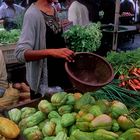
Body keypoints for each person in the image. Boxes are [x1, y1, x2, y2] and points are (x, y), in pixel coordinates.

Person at [14, 0, 75, 100]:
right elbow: (20, 54)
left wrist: (60, 28)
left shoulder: (53, 9)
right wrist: (51, 52)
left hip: (61, 78)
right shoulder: (32, 15)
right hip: (45, 86)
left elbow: (50, 38)